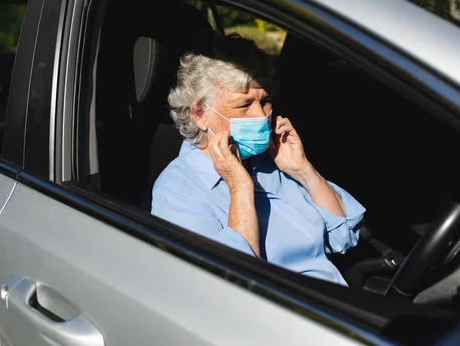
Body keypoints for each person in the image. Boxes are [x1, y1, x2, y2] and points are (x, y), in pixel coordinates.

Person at [151, 35, 365, 286]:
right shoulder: (177, 192)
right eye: (244, 105)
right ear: (200, 114)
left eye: (264, 101)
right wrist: (240, 188)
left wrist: (303, 170)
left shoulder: (268, 160)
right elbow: (227, 285)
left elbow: (344, 235)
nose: (261, 115)